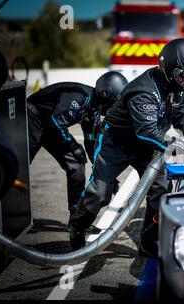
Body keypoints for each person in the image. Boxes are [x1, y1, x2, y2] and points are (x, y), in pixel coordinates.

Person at [68, 39, 184, 255]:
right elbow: (147, 131)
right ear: (170, 68)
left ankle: (149, 242)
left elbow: (183, 120)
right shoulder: (144, 90)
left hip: (146, 147)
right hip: (116, 143)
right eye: (183, 77)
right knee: (101, 193)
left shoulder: (178, 90)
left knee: (160, 189)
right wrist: (179, 145)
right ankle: (77, 226)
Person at [27, 71, 128, 224]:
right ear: (105, 94)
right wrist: (74, 146)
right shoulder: (80, 97)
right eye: (114, 102)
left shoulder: (94, 109)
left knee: (76, 163)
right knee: (20, 169)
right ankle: (5, 223)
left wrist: (104, 173)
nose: (114, 108)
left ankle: (75, 219)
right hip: (32, 119)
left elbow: (90, 142)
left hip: (51, 126)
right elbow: (55, 123)